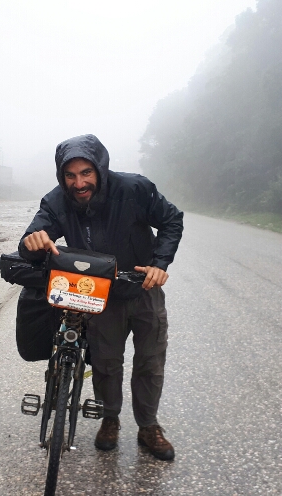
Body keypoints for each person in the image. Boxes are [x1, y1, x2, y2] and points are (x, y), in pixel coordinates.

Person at [19, 134, 184, 461]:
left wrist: (159, 264)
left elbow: (171, 220)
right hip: (97, 294)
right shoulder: (57, 201)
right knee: (106, 363)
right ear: (62, 176)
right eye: (70, 175)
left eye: (86, 173)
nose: (79, 183)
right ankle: (110, 419)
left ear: (100, 169)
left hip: (143, 288)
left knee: (150, 362)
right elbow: (32, 240)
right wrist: (32, 242)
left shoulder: (134, 189)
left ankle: (148, 426)